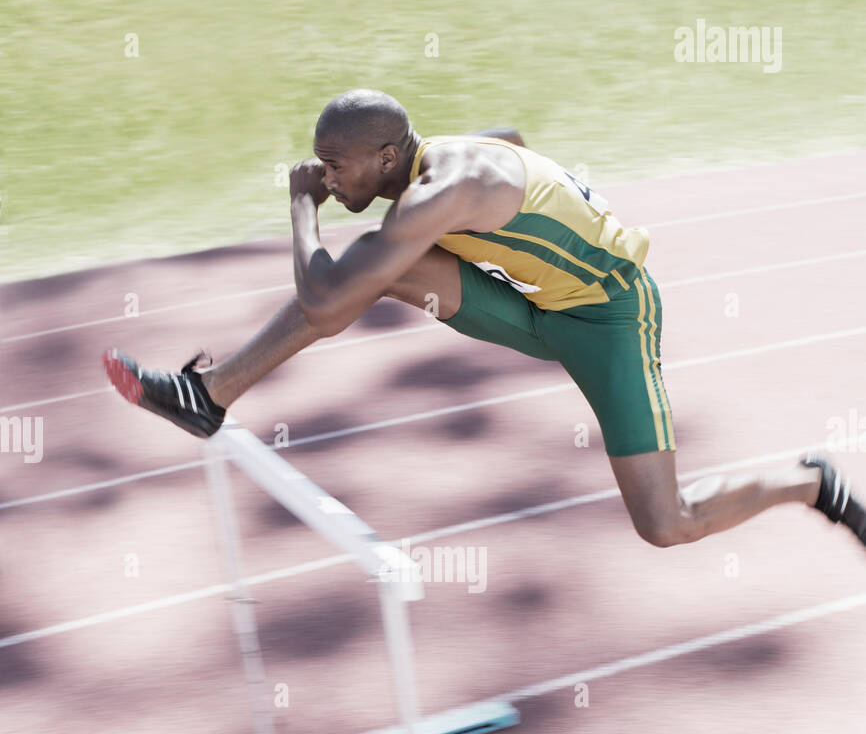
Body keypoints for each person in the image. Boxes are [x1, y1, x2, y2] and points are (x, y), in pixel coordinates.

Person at [103, 88, 866, 549]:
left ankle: (808, 483)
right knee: (381, 263)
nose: (326, 176)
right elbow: (514, 141)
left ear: (389, 153)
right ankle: (211, 396)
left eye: (336, 165)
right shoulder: (450, 156)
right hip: (531, 308)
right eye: (318, 166)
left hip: (608, 319)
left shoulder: (439, 192)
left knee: (667, 525)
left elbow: (324, 299)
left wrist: (300, 208)